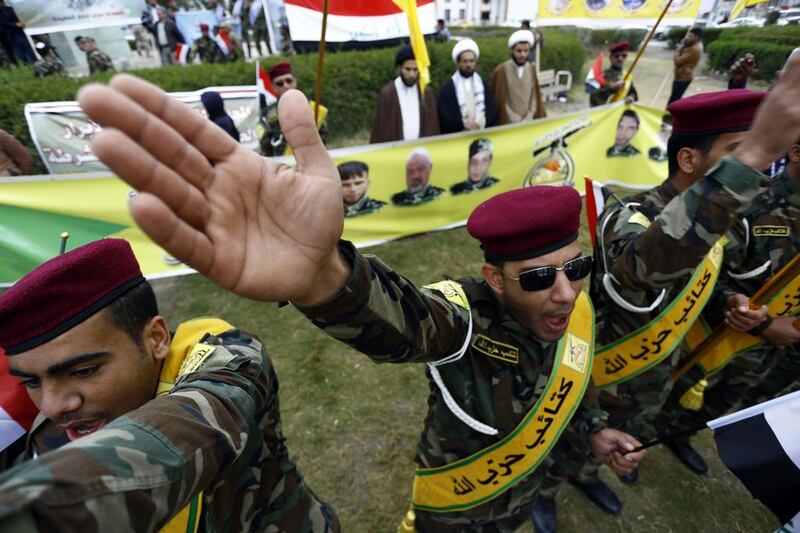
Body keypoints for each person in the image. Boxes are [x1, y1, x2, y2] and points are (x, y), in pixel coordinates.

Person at [75, 78, 650, 530]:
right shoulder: (468, 313)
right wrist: (324, 275)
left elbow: (574, 381)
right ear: (494, 280)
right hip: (463, 497)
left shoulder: (573, 303)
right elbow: (410, 326)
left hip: (535, 470)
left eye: (577, 267)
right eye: (540, 276)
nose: (567, 291)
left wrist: (595, 431)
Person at [534, 89, 785, 531]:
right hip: (601, 378)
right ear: (688, 160)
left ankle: (588, 477)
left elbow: (714, 273)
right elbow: (643, 267)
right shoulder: (628, 216)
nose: (751, 162)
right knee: (571, 439)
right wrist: (756, 153)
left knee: (620, 438)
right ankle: (548, 491)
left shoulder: (724, 226)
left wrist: (729, 298)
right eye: (734, 150)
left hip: (658, 375)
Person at [0, 238, 340, 532]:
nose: (52, 406)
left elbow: (192, 423)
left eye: (84, 371)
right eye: (31, 381)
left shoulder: (229, 358)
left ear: (156, 338)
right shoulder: (49, 427)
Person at [653, 134, 800, 475]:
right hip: (713, 336)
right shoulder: (752, 205)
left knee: (719, 400)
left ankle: (679, 435)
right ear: (795, 152)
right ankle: (641, 437)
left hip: (769, 354)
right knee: (673, 392)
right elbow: (704, 270)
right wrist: (762, 323)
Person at [370, 45, 439, 144]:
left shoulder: (426, 92)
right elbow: (381, 129)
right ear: (399, 68)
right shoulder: (388, 93)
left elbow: (432, 127)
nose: (412, 74)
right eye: (408, 69)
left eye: (415, 70)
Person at [259, 62, 327, 156]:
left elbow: (323, 135)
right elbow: (264, 143)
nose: (286, 86)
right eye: (280, 83)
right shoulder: (267, 114)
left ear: (295, 82)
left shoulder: (312, 108)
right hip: (282, 163)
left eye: (289, 81)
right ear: (273, 87)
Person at [437, 39, 499, 134]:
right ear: (458, 63)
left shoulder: (482, 84)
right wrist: (463, 124)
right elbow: (445, 115)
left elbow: (491, 111)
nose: (468, 65)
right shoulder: (448, 88)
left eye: (471, 61)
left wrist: (479, 122)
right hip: (459, 136)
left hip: (481, 132)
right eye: (465, 61)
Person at [491, 29, 546, 125]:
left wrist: (528, 117)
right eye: (519, 51)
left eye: (526, 51)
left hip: (528, 122)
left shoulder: (531, 69)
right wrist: (515, 119)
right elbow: (499, 100)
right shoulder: (501, 70)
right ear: (511, 50)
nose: (522, 55)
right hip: (508, 124)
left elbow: (534, 96)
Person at [587, 41, 638, 107]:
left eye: (623, 55)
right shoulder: (602, 76)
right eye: (617, 56)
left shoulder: (627, 75)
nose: (620, 58)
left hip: (620, 112)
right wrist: (611, 89)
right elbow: (594, 100)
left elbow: (633, 93)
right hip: (605, 113)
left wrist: (631, 97)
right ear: (610, 58)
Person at [668, 27, 703, 105]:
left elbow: (678, 61)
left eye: (690, 36)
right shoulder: (693, 45)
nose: (687, 38)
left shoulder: (695, 49)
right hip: (681, 75)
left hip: (683, 77)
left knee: (674, 100)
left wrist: (679, 47)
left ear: (696, 37)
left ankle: (669, 115)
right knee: (674, 98)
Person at [0, 0, 36, 65]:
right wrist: (15, 24)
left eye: (2, 2)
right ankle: (26, 66)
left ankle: (34, 63)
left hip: (20, 33)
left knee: (29, 50)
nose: (2, 3)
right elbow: (3, 23)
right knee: (20, 54)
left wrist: (21, 22)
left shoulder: (11, 9)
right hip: (10, 37)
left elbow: (19, 16)